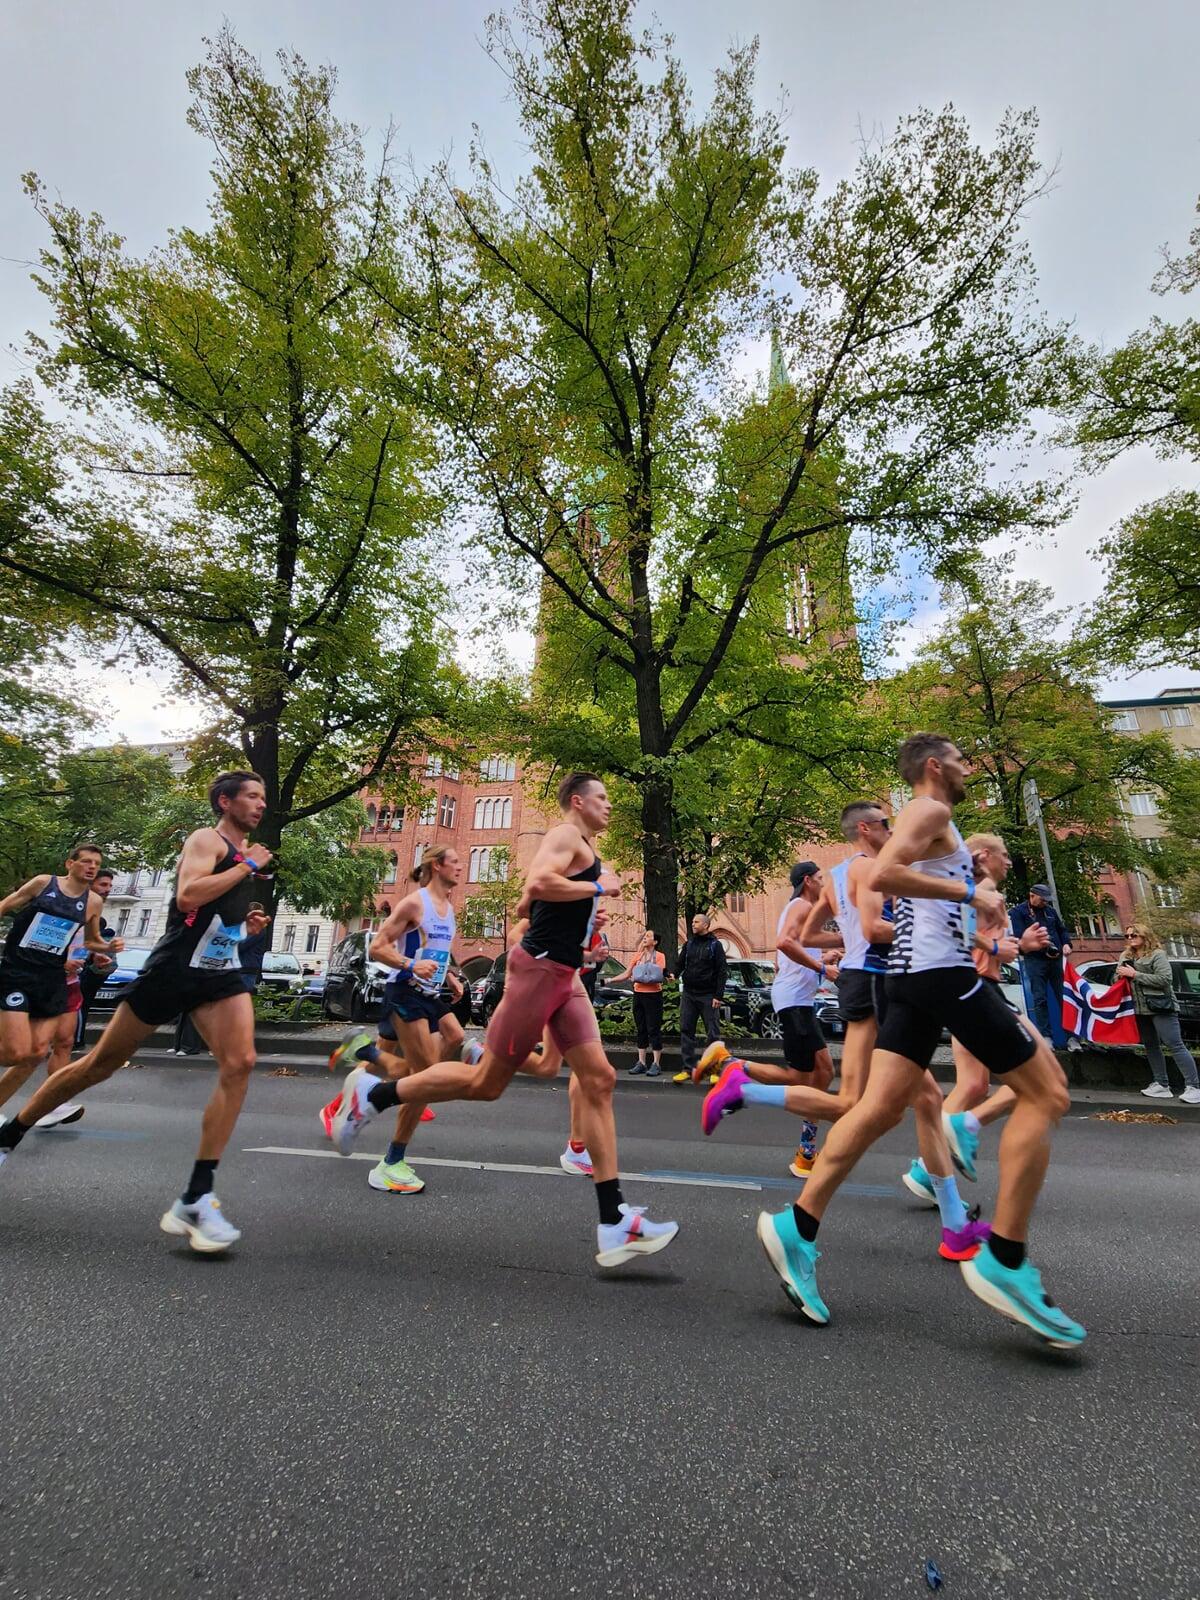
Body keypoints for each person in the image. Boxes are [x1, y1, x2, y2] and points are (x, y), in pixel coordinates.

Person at [753, 733, 1083, 1349]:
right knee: (1048, 1093)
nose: (968, 767)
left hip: (909, 979)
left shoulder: (935, 823)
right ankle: (1006, 1261)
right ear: (935, 767)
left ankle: (798, 1228)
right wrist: (972, 893)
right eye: (960, 759)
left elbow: (909, 888)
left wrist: (980, 922)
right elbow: (886, 871)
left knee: (877, 1108)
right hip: (940, 978)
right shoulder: (930, 809)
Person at [326, 771, 678, 1268]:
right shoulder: (565, 836)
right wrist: (596, 886)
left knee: (598, 1078)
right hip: (538, 973)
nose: (609, 806)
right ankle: (374, 1094)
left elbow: (527, 902)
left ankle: (614, 1219)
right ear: (577, 802)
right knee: (487, 1082)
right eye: (602, 798)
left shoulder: (580, 848)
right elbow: (535, 885)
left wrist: (587, 910)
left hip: (565, 975)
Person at [0, 772, 273, 1254]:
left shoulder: (244, 856)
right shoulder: (206, 840)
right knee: (99, 1065)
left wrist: (245, 928)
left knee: (241, 1062)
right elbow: (187, 897)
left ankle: (196, 1196)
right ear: (225, 801)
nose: (260, 805)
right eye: (252, 796)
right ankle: (10, 1133)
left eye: (263, 798)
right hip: (173, 969)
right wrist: (244, 866)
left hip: (217, 970)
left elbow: (213, 918)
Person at [701, 832, 984, 1263]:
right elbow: (806, 939)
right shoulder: (857, 872)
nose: (895, 830)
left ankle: (951, 1222)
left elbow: (829, 933)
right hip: (853, 988)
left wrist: (841, 948)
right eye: (887, 824)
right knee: (851, 1098)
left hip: (856, 986)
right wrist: (830, 964)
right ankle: (745, 1085)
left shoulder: (842, 876)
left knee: (911, 1097)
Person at [328, 846, 467, 1195]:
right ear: (437, 866)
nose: (461, 868)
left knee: (454, 1036)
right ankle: (390, 1163)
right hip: (405, 991)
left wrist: (448, 974)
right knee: (425, 1079)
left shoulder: (448, 908)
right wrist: (410, 966)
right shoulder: (413, 903)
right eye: (455, 862)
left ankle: (365, 1056)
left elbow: (431, 952)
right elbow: (377, 947)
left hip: (429, 994)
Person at [0, 843, 120, 1124]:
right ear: (70, 864)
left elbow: (90, 940)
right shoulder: (44, 883)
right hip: (19, 971)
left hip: (53, 979)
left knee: (37, 1053)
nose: (91, 867)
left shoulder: (93, 902)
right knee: (15, 1051)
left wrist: (105, 949)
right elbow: (6, 905)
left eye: (96, 863)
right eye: (86, 861)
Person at [1118, 923, 1200, 1104]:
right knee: (1151, 1046)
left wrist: (1135, 974)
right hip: (1139, 1008)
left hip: (1161, 1006)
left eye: (1134, 935)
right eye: (1128, 936)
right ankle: (1161, 1084)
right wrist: (1121, 975)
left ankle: (1194, 1086)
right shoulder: (1126, 956)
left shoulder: (1157, 955)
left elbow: (1165, 980)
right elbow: (1119, 980)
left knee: (1175, 1044)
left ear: (1144, 936)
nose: (1130, 939)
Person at [1010, 884, 1076, 1051]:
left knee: (1064, 997)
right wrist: (1036, 944)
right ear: (1032, 895)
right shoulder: (1018, 912)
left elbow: (1062, 930)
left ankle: (1072, 1038)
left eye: (1047, 900)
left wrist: (1067, 944)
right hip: (1035, 960)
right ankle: (1046, 1037)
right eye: (1042, 899)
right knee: (1040, 999)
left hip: (1055, 960)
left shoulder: (1050, 911)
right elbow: (1018, 937)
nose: (1044, 903)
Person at [672, 914, 726, 1084]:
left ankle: (714, 1070)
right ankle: (688, 1069)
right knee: (686, 1030)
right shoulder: (689, 944)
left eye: (696, 922)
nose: (693, 924)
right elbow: (680, 964)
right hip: (689, 994)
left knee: (713, 1033)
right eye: (693, 921)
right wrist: (674, 973)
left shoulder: (715, 945)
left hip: (708, 996)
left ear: (706, 925)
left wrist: (718, 995)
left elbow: (722, 971)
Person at [76, 868, 117, 1042]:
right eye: (103, 884)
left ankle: (75, 1040)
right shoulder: (76, 910)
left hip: (85, 973)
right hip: (67, 971)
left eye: (110, 885)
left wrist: (97, 959)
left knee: (79, 1007)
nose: (108, 889)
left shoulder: (98, 918)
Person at [620, 930, 667, 1077]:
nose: (645, 938)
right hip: (638, 994)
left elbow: (657, 975)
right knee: (641, 1029)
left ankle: (656, 1064)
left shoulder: (659, 956)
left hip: (653, 996)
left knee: (653, 1029)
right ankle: (641, 1063)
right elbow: (629, 974)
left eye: (648, 936)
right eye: (644, 936)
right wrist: (608, 980)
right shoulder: (638, 956)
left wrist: (640, 974)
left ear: (655, 942)